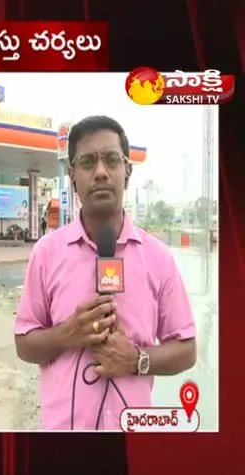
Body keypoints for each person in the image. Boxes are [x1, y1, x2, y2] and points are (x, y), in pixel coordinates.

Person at [14, 116, 196, 431]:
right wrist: (66, 334)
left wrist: (137, 360)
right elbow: (24, 344)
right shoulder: (46, 253)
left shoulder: (158, 258)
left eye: (111, 160)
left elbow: (186, 350)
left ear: (127, 171)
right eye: (87, 162)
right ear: (72, 175)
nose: (100, 172)